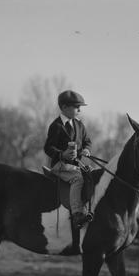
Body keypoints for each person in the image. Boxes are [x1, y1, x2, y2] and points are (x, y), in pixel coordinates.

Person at [44, 90, 92, 233]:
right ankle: (77, 214)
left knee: (92, 175)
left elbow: (87, 141)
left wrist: (86, 150)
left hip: (76, 165)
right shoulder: (56, 126)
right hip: (59, 165)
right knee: (78, 178)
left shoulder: (80, 125)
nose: (79, 110)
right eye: (76, 107)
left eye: (80, 107)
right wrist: (62, 154)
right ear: (65, 108)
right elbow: (48, 147)